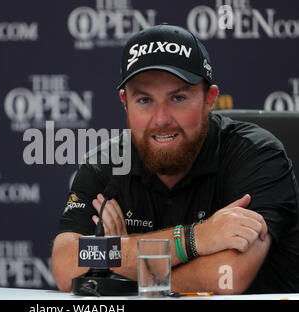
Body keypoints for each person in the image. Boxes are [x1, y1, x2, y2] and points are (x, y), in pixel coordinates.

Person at [51, 24, 299, 294]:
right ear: (125, 102)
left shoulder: (256, 155)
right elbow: (66, 267)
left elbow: (226, 277)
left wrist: (115, 264)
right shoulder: (104, 163)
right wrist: (195, 239)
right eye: (144, 100)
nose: (161, 119)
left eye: (178, 98)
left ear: (209, 99)